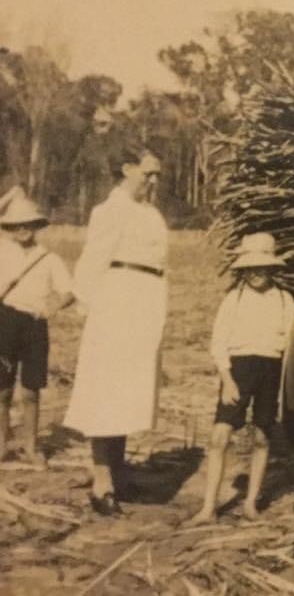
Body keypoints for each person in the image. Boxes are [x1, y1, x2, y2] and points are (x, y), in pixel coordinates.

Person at [63, 146, 167, 516]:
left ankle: (119, 473)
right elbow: (94, 257)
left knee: (127, 394)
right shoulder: (108, 211)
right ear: (127, 169)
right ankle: (102, 481)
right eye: (148, 172)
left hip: (144, 306)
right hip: (116, 306)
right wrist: (80, 301)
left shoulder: (151, 214)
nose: (153, 180)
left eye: (157, 174)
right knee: (105, 392)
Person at [186, 232, 294, 524]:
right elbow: (218, 342)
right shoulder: (233, 300)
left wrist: (284, 388)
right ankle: (209, 507)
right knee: (220, 436)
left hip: (271, 369)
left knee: (261, 437)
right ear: (243, 270)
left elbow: (290, 344)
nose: (256, 274)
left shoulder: (285, 301)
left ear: (272, 268)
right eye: (251, 268)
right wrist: (228, 379)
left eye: (262, 268)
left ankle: (250, 503)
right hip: (238, 369)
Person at [0, 197, 74, 465]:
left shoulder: (49, 258)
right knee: (2, 390)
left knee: (31, 390)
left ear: (36, 226)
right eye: (16, 224)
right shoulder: (2, 251)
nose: (22, 229)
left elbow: (69, 291)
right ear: (9, 227)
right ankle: (2, 445)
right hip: (5, 321)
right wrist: (9, 197)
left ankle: (31, 447)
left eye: (28, 224)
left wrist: (53, 307)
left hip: (34, 325)